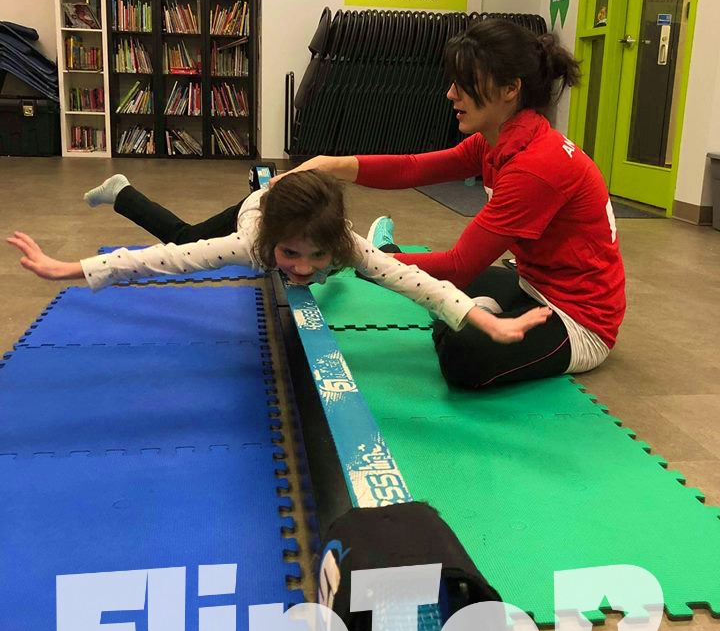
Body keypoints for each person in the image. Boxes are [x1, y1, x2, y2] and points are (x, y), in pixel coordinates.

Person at [280, 20, 626, 389]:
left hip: (578, 319)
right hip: (531, 285)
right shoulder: (498, 140)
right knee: (432, 290)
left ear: (510, 89)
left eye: (465, 82)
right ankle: (401, 263)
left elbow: (459, 266)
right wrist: (330, 165)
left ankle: (394, 261)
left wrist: (353, 258)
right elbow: (413, 168)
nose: (450, 94)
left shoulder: (535, 167)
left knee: (461, 355)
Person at [7, 170, 550, 346]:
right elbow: (164, 262)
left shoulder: (347, 247)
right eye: (291, 255)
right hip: (256, 208)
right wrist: (70, 269)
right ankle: (121, 191)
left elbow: (413, 281)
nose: (303, 269)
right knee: (185, 239)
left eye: (317, 257)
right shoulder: (254, 242)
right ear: (273, 244)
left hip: (302, 210)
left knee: (375, 269)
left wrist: (483, 321)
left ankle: (123, 192)